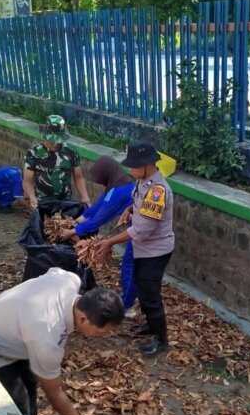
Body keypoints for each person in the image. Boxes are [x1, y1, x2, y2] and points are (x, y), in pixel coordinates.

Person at [0, 268, 124, 415]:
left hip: (11, 328)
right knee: (17, 403)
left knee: (30, 382)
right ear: (83, 319)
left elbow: (53, 271)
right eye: (101, 332)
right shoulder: (48, 336)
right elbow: (53, 392)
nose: (103, 336)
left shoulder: (70, 280)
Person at [98, 143, 174, 357]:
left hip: (155, 251)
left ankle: (162, 341)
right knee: (142, 287)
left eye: (134, 166)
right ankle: (151, 326)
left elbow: (142, 230)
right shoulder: (142, 183)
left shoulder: (157, 191)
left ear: (148, 165)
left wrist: (110, 242)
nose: (130, 170)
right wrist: (129, 210)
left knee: (151, 296)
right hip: (144, 249)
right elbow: (138, 203)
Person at [59, 156, 137, 316]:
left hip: (139, 233)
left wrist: (73, 232)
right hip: (135, 230)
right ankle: (128, 298)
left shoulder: (120, 192)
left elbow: (99, 219)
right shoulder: (117, 183)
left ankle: (128, 306)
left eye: (100, 178)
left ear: (106, 174)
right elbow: (97, 208)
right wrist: (75, 222)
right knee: (129, 264)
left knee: (130, 264)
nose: (100, 182)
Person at [23, 114, 91, 213]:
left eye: (58, 140)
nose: (55, 144)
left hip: (64, 200)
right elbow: (27, 180)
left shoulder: (70, 152)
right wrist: (32, 197)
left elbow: (78, 177)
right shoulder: (34, 153)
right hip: (42, 201)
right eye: (52, 141)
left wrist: (85, 198)